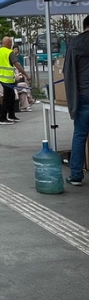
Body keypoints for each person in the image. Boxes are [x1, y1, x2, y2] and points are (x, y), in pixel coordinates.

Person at [63, 15, 89, 186]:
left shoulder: (74, 44)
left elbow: (67, 71)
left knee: (80, 135)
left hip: (83, 95)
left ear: (84, 26)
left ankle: (76, 175)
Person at [0, 37, 30, 125]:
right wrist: (26, 74)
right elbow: (17, 65)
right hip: (7, 79)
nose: (11, 44)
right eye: (11, 42)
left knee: (11, 97)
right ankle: (3, 118)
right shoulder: (9, 52)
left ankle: (12, 115)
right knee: (7, 99)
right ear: (8, 43)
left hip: (1, 79)